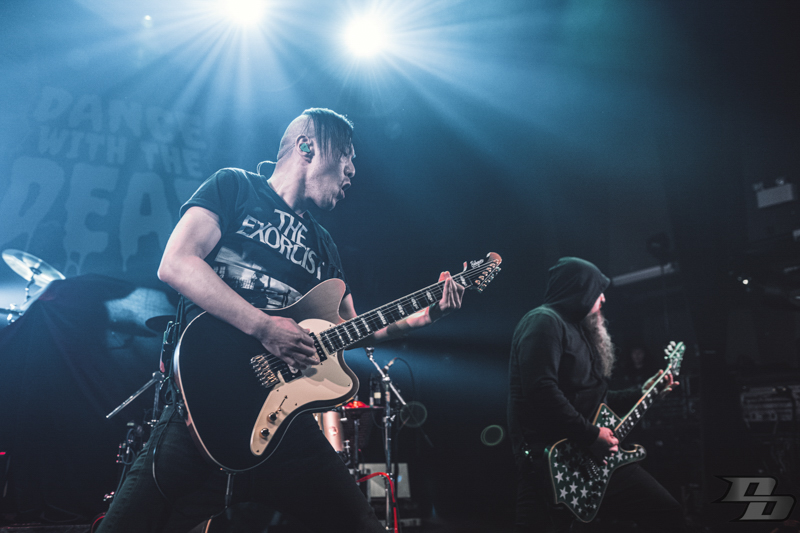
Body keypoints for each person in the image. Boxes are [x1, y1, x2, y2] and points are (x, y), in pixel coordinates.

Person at [97, 108, 465, 533]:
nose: (352, 170)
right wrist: (264, 327)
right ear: (307, 146)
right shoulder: (234, 187)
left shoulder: (324, 245)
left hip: (285, 424)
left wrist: (424, 316)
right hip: (203, 410)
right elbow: (176, 263)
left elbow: (353, 327)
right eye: (346, 155)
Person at [507, 257, 684, 532]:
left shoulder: (578, 330)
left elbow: (595, 399)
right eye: (597, 290)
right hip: (553, 462)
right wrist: (591, 435)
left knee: (666, 512)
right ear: (579, 291)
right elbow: (541, 391)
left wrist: (643, 392)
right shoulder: (544, 321)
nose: (603, 298)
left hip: (591, 458)